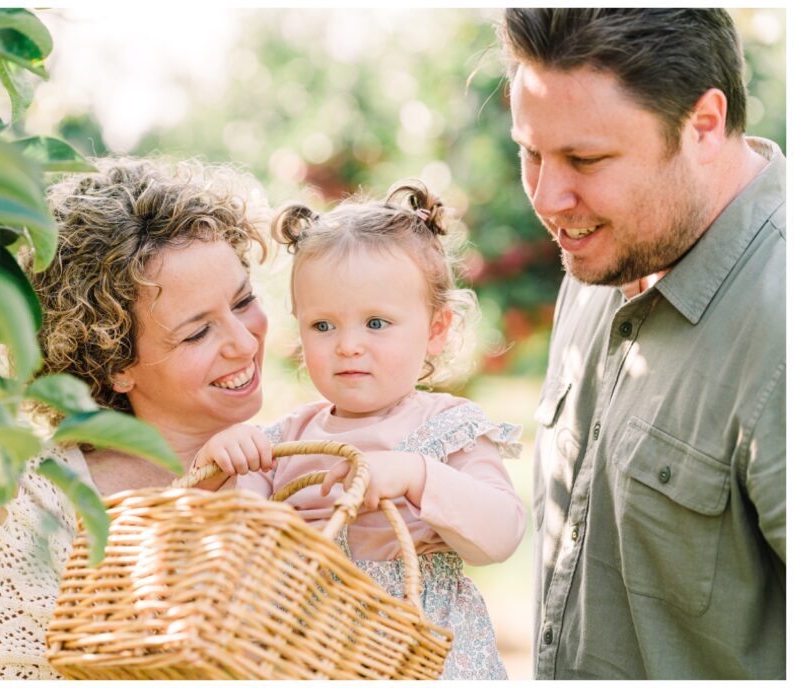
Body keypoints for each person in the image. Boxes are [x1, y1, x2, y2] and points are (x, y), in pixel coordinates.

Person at [498, 8, 785, 680]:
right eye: (529, 152)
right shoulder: (604, 248)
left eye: (585, 159)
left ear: (704, 126)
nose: (547, 196)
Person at [0, 156, 270, 679]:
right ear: (114, 364)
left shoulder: (291, 461)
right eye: (196, 333)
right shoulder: (38, 499)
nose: (243, 341)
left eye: (244, 301)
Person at [193, 180, 527, 680]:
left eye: (375, 323)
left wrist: (418, 476)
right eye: (323, 326)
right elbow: (237, 542)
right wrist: (222, 462)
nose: (348, 345)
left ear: (436, 329)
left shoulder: (446, 428)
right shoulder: (287, 439)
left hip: (420, 654)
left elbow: (501, 535)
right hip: (315, 655)